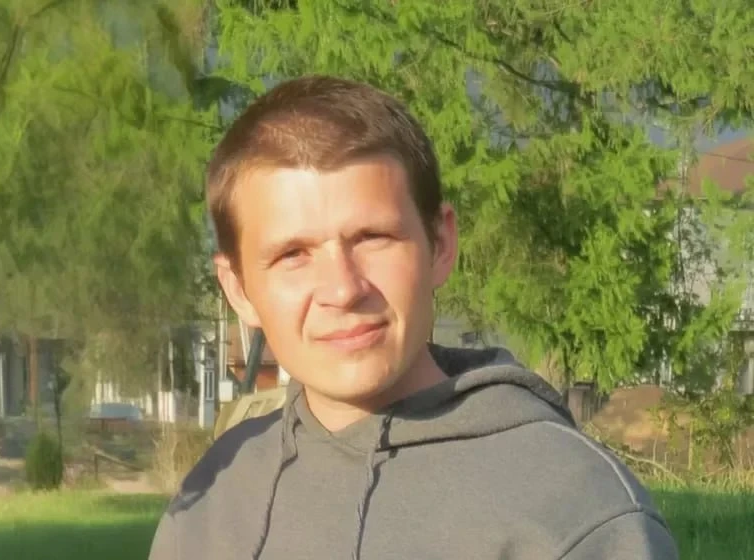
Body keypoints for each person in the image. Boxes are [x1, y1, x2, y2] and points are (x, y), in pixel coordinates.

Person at [148, 75, 679, 560]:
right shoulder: (214, 501)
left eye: (373, 237)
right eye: (293, 255)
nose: (343, 289)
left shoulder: (574, 514)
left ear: (440, 244)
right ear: (238, 289)